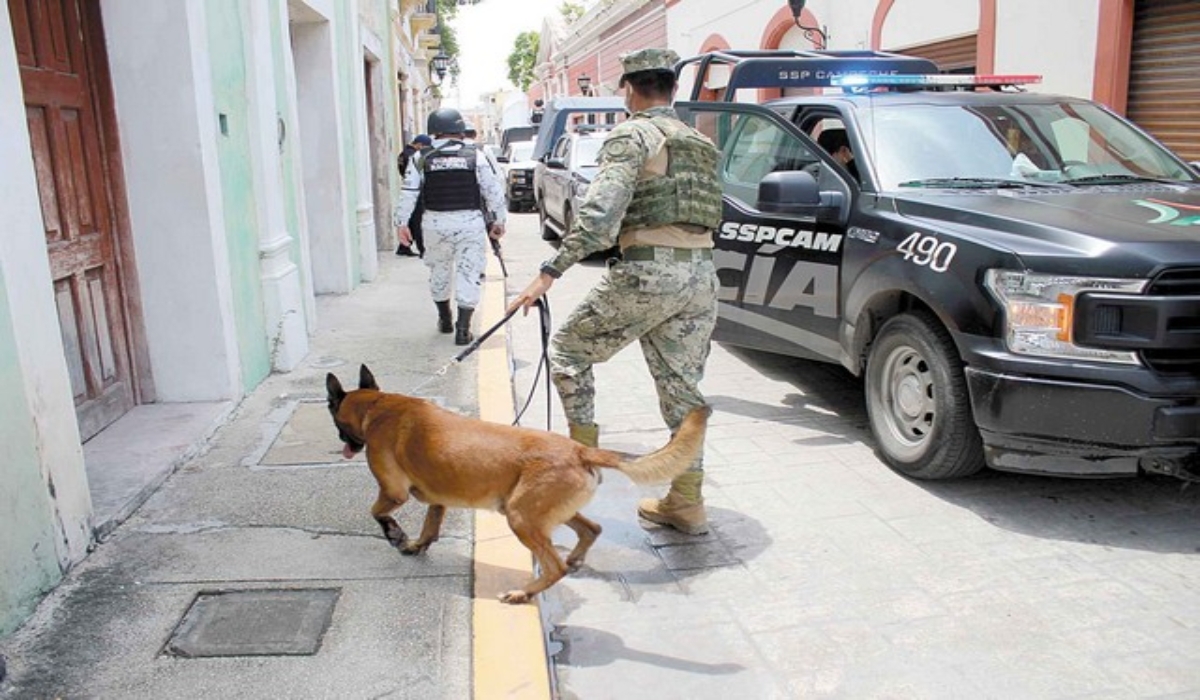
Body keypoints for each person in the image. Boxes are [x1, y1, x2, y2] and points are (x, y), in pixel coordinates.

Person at [507, 48, 723, 535]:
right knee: (682, 390)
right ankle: (687, 502)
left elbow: (600, 219)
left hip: (649, 272)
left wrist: (549, 271)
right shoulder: (699, 141)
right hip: (701, 276)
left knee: (566, 350)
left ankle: (574, 478)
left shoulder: (632, 133)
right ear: (672, 87)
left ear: (628, 89)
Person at [395, 109, 506, 345]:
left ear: (433, 130)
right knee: (469, 272)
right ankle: (463, 329)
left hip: (434, 223)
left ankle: (444, 319)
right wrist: (499, 221)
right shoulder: (476, 155)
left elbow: (408, 193)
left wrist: (401, 224)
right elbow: (493, 191)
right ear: (459, 130)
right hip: (469, 223)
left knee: (439, 271)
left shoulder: (421, 157)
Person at [395, 134, 433, 257]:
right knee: (418, 221)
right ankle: (422, 249)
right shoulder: (413, 156)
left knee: (411, 221)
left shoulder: (403, 154)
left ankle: (404, 246)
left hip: (410, 188)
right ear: (420, 145)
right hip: (415, 191)